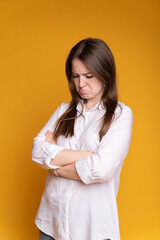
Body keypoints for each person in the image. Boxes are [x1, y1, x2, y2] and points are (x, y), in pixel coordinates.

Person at [31, 38, 133, 240]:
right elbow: (36, 150)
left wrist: (56, 166)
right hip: (51, 222)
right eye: (75, 76)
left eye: (88, 76)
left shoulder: (121, 115)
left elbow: (101, 169)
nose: (80, 84)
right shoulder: (63, 110)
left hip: (92, 228)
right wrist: (86, 155)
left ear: (106, 73)